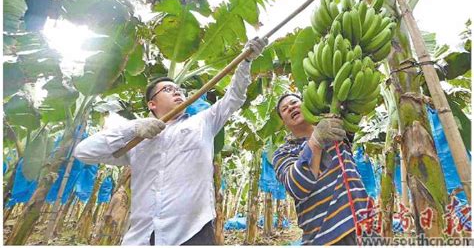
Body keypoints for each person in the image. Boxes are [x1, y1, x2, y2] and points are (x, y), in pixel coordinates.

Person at [74, 38, 266, 245]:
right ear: (152, 104)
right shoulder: (137, 139)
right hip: (143, 235)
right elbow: (84, 152)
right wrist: (134, 127)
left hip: (192, 232)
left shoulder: (203, 122)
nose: (177, 91)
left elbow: (234, 98)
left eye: (179, 90)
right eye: (167, 89)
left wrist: (246, 62)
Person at [272, 93, 369, 245]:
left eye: (294, 102)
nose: (291, 107)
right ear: (284, 122)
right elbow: (297, 187)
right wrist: (316, 140)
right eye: (285, 109)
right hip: (326, 236)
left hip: (365, 224)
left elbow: (355, 107)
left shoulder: (335, 127)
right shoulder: (283, 153)